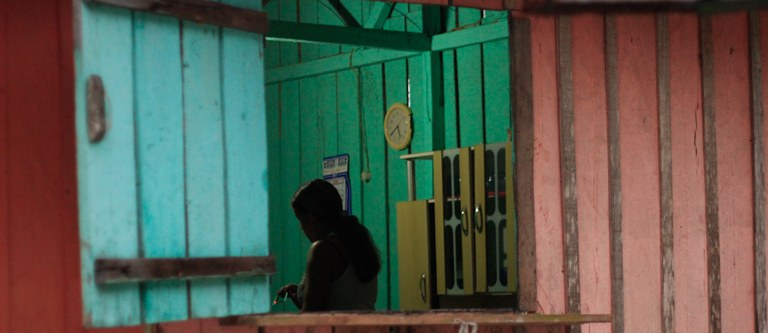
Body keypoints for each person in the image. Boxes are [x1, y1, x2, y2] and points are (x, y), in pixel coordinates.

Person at [275, 179, 381, 311]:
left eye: (301, 221)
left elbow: (313, 316)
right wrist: (303, 296)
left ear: (312, 217)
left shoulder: (322, 250)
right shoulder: (358, 242)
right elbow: (345, 302)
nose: (301, 228)